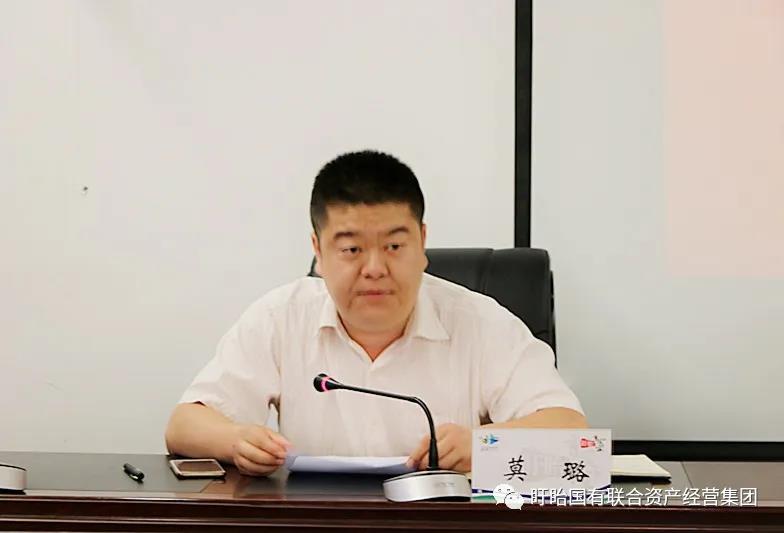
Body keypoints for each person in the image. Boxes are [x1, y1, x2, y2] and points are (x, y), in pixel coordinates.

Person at [165, 150, 586, 476]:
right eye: (351, 249)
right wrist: (236, 440)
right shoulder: (281, 316)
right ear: (318, 251)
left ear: (422, 242)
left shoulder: (480, 322)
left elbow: (573, 434)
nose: (374, 268)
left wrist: (484, 445)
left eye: (394, 246)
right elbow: (184, 425)